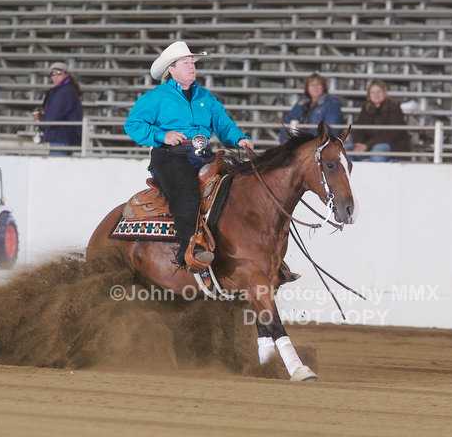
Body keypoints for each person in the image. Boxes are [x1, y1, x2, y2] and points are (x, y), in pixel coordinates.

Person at [124, 41, 254, 271]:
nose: (192, 66)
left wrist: (239, 139)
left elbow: (223, 124)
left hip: (203, 155)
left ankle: (255, 251)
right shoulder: (156, 97)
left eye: (192, 62)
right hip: (170, 155)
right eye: (185, 63)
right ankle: (190, 250)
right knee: (185, 190)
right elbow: (133, 124)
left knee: (241, 184)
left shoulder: (206, 97)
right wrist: (162, 135)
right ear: (171, 69)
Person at [346, 79, 410, 162]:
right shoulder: (366, 109)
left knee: (378, 150)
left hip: (393, 145)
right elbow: (359, 129)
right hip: (369, 145)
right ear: (369, 95)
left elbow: (390, 134)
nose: (376, 95)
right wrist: (358, 143)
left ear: (384, 93)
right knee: (345, 150)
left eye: (379, 91)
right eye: (373, 92)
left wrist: (367, 145)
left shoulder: (394, 108)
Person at [33, 62, 83, 156]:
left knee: (56, 163)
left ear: (66, 74)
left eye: (59, 73)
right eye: (52, 74)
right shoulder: (68, 90)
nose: (55, 76)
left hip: (60, 136)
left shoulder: (63, 91)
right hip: (67, 136)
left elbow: (53, 116)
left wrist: (40, 120)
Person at [281, 72, 343, 142]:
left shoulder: (332, 103)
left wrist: (316, 143)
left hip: (320, 144)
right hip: (301, 143)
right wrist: (287, 143)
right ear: (307, 88)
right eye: (312, 85)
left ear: (324, 87)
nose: (315, 87)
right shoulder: (301, 103)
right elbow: (287, 124)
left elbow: (331, 129)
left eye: (318, 84)